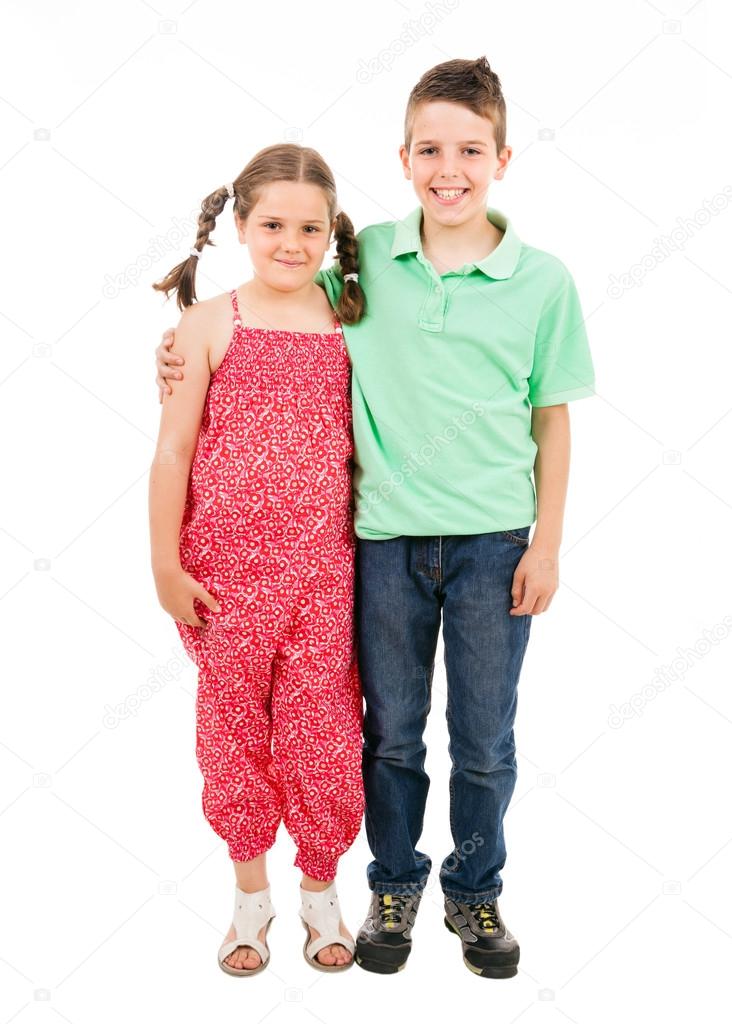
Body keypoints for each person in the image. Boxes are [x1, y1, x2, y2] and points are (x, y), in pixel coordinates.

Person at [154, 57, 596, 979]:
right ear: (402, 159)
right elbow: (217, 386)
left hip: (430, 553)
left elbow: (548, 417)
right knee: (339, 730)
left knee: (444, 737)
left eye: (471, 150)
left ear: (503, 158)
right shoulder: (342, 279)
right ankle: (322, 891)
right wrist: (181, 349)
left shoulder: (468, 288)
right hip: (315, 557)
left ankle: (432, 896)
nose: (450, 168)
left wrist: (548, 542)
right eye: (430, 149)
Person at [148, 144, 367, 976]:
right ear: (240, 227)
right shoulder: (207, 326)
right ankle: (249, 896)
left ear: (332, 235)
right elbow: (173, 453)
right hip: (224, 579)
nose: (290, 242)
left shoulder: (354, 320)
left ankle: (319, 889)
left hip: (326, 576)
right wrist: (164, 564)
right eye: (272, 223)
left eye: (310, 228)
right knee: (233, 732)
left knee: (324, 736)